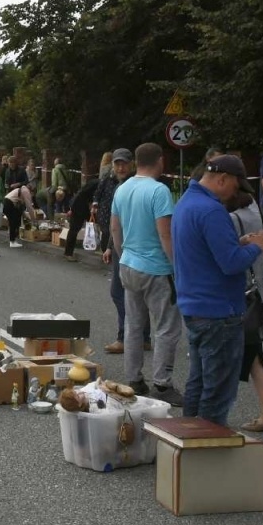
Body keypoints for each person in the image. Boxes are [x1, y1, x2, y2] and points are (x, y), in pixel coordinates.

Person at [172, 155, 263, 426]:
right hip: (219, 310)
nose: (235, 194)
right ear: (222, 179)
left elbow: (204, 250)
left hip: (194, 305)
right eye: (235, 187)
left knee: (198, 381)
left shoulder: (186, 203)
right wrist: (256, 246)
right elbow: (230, 264)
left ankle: (186, 439)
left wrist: (236, 241)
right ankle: (207, 450)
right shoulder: (212, 210)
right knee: (217, 391)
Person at [111, 143, 183, 399]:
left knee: (133, 325)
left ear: (136, 162)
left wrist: (123, 256)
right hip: (156, 268)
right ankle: (162, 384)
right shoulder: (159, 191)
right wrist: (178, 267)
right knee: (166, 326)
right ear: (160, 160)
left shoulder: (122, 189)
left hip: (128, 264)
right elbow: (166, 234)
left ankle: (134, 378)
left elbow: (115, 229)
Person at [228, 184, 263, 433]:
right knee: (254, 356)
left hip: (242, 295)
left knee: (249, 357)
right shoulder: (254, 211)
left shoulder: (232, 218)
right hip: (257, 292)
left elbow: (229, 257)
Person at [95, 150, 133, 352]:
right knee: (133, 296)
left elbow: (120, 223)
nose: (120, 168)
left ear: (132, 164)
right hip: (120, 244)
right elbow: (115, 222)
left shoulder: (128, 186)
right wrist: (109, 246)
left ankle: (125, 337)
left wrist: (114, 246)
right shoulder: (116, 184)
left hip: (127, 247)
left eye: (124, 164)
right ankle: (141, 337)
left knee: (119, 292)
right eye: (117, 164)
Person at [63, 177, 98, 262]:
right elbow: (88, 196)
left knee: (75, 229)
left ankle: (69, 252)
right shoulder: (98, 184)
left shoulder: (94, 182)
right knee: (74, 229)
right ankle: (68, 253)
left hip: (80, 206)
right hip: (79, 207)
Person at [3, 178, 34, 248]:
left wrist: (25, 215)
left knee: (15, 220)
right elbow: (29, 207)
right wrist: (33, 219)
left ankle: (13, 239)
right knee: (13, 222)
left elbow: (21, 208)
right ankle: (12, 241)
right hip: (8, 204)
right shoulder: (26, 191)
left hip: (7, 203)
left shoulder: (22, 189)